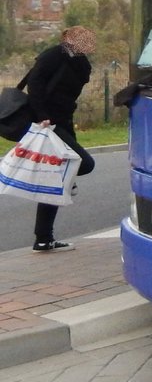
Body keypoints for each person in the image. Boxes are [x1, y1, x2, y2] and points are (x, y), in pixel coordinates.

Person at [25, 26, 98, 253]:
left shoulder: (80, 61)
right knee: (84, 163)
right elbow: (34, 83)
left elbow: (78, 82)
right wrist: (42, 116)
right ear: (67, 39)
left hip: (64, 121)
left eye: (87, 39)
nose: (86, 42)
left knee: (56, 181)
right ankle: (66, 176)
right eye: (80, 38)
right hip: (48, 123)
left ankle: (44, 239)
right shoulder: (53, 55)